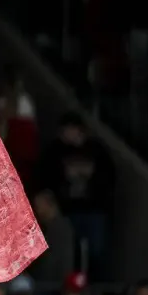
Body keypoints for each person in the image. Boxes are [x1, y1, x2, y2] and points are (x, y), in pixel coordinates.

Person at [37, 113, 115, 274]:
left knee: (96, 252)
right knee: (69, 252)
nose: (64, 134)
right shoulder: (55, 150)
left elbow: (109, 176)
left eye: (68, 130)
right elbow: (44, 176)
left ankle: (95, 287)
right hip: (68, 210)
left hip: (93, 210)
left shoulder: (96, 150)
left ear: (78, 130)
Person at [30, 193, 77, 290]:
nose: (36, 210)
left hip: (54, 284)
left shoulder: (60, 227)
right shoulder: (49, 227)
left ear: (49, 205)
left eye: (39, 206)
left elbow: (56, 258)